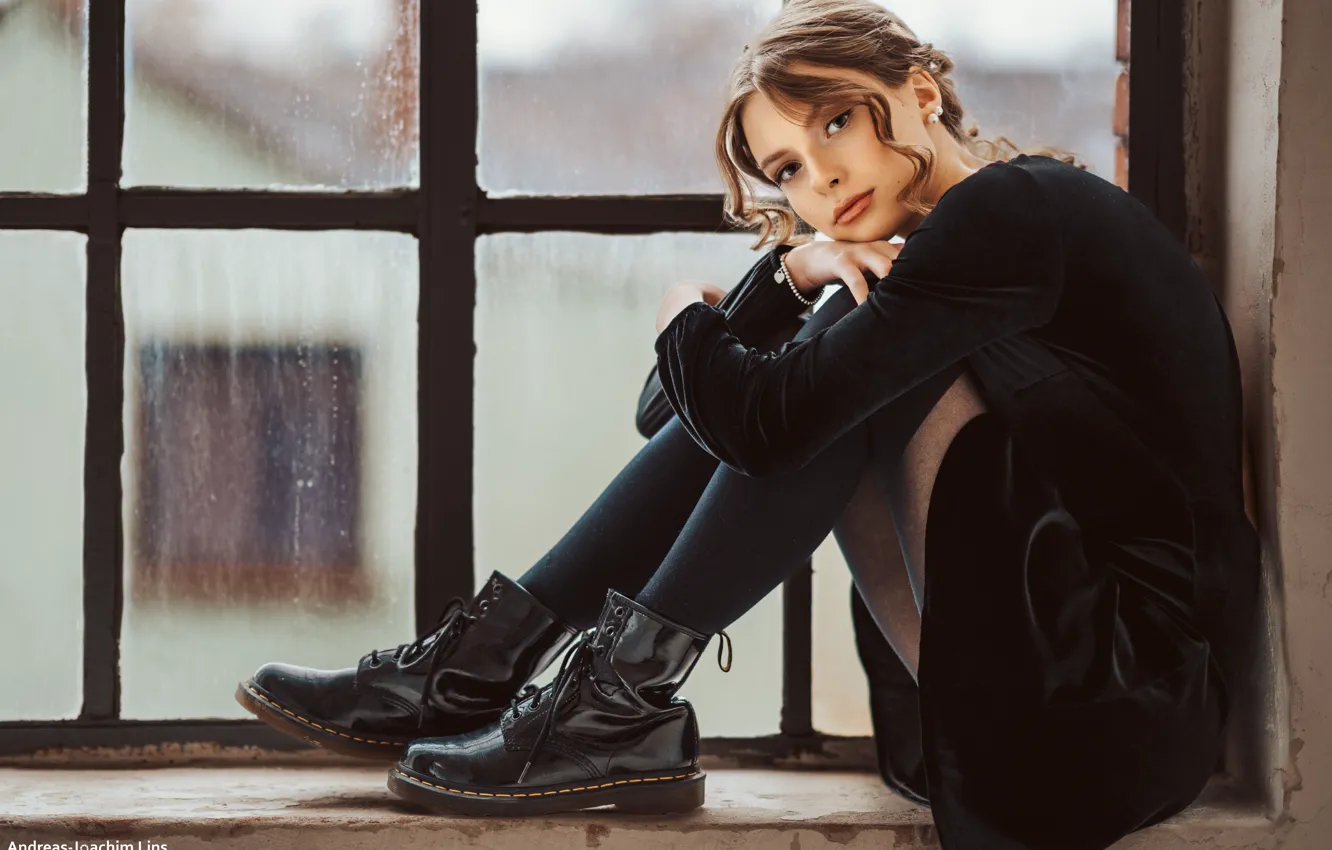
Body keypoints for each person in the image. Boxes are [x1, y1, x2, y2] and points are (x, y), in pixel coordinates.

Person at [235, 1, 1261, 846]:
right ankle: (511, 679)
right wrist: (789, 266)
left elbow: (761, 426)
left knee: (835, 365)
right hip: (1057, 692)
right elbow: (675, 417)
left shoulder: (1011, 213)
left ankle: (571, 696)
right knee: (831, 349)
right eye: (785, 172)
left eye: (833, 125)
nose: (819, 181)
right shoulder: (944, 254)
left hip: (1117, 700)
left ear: (920, 93)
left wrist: (691, 307)